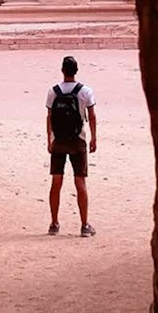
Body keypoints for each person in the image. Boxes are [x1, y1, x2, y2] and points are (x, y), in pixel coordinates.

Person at [45, 55, 97, 236]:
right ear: (76, 71)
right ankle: (84, 225)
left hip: (58, 140)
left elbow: (49, 117)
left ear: (62, 70)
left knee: (56, 181)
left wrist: (49, 140)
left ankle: (54, 224)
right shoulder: (86, 91)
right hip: (78, 141)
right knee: (80, 181)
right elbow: (91, 116)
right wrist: (93, 138)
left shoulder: (53, 92)